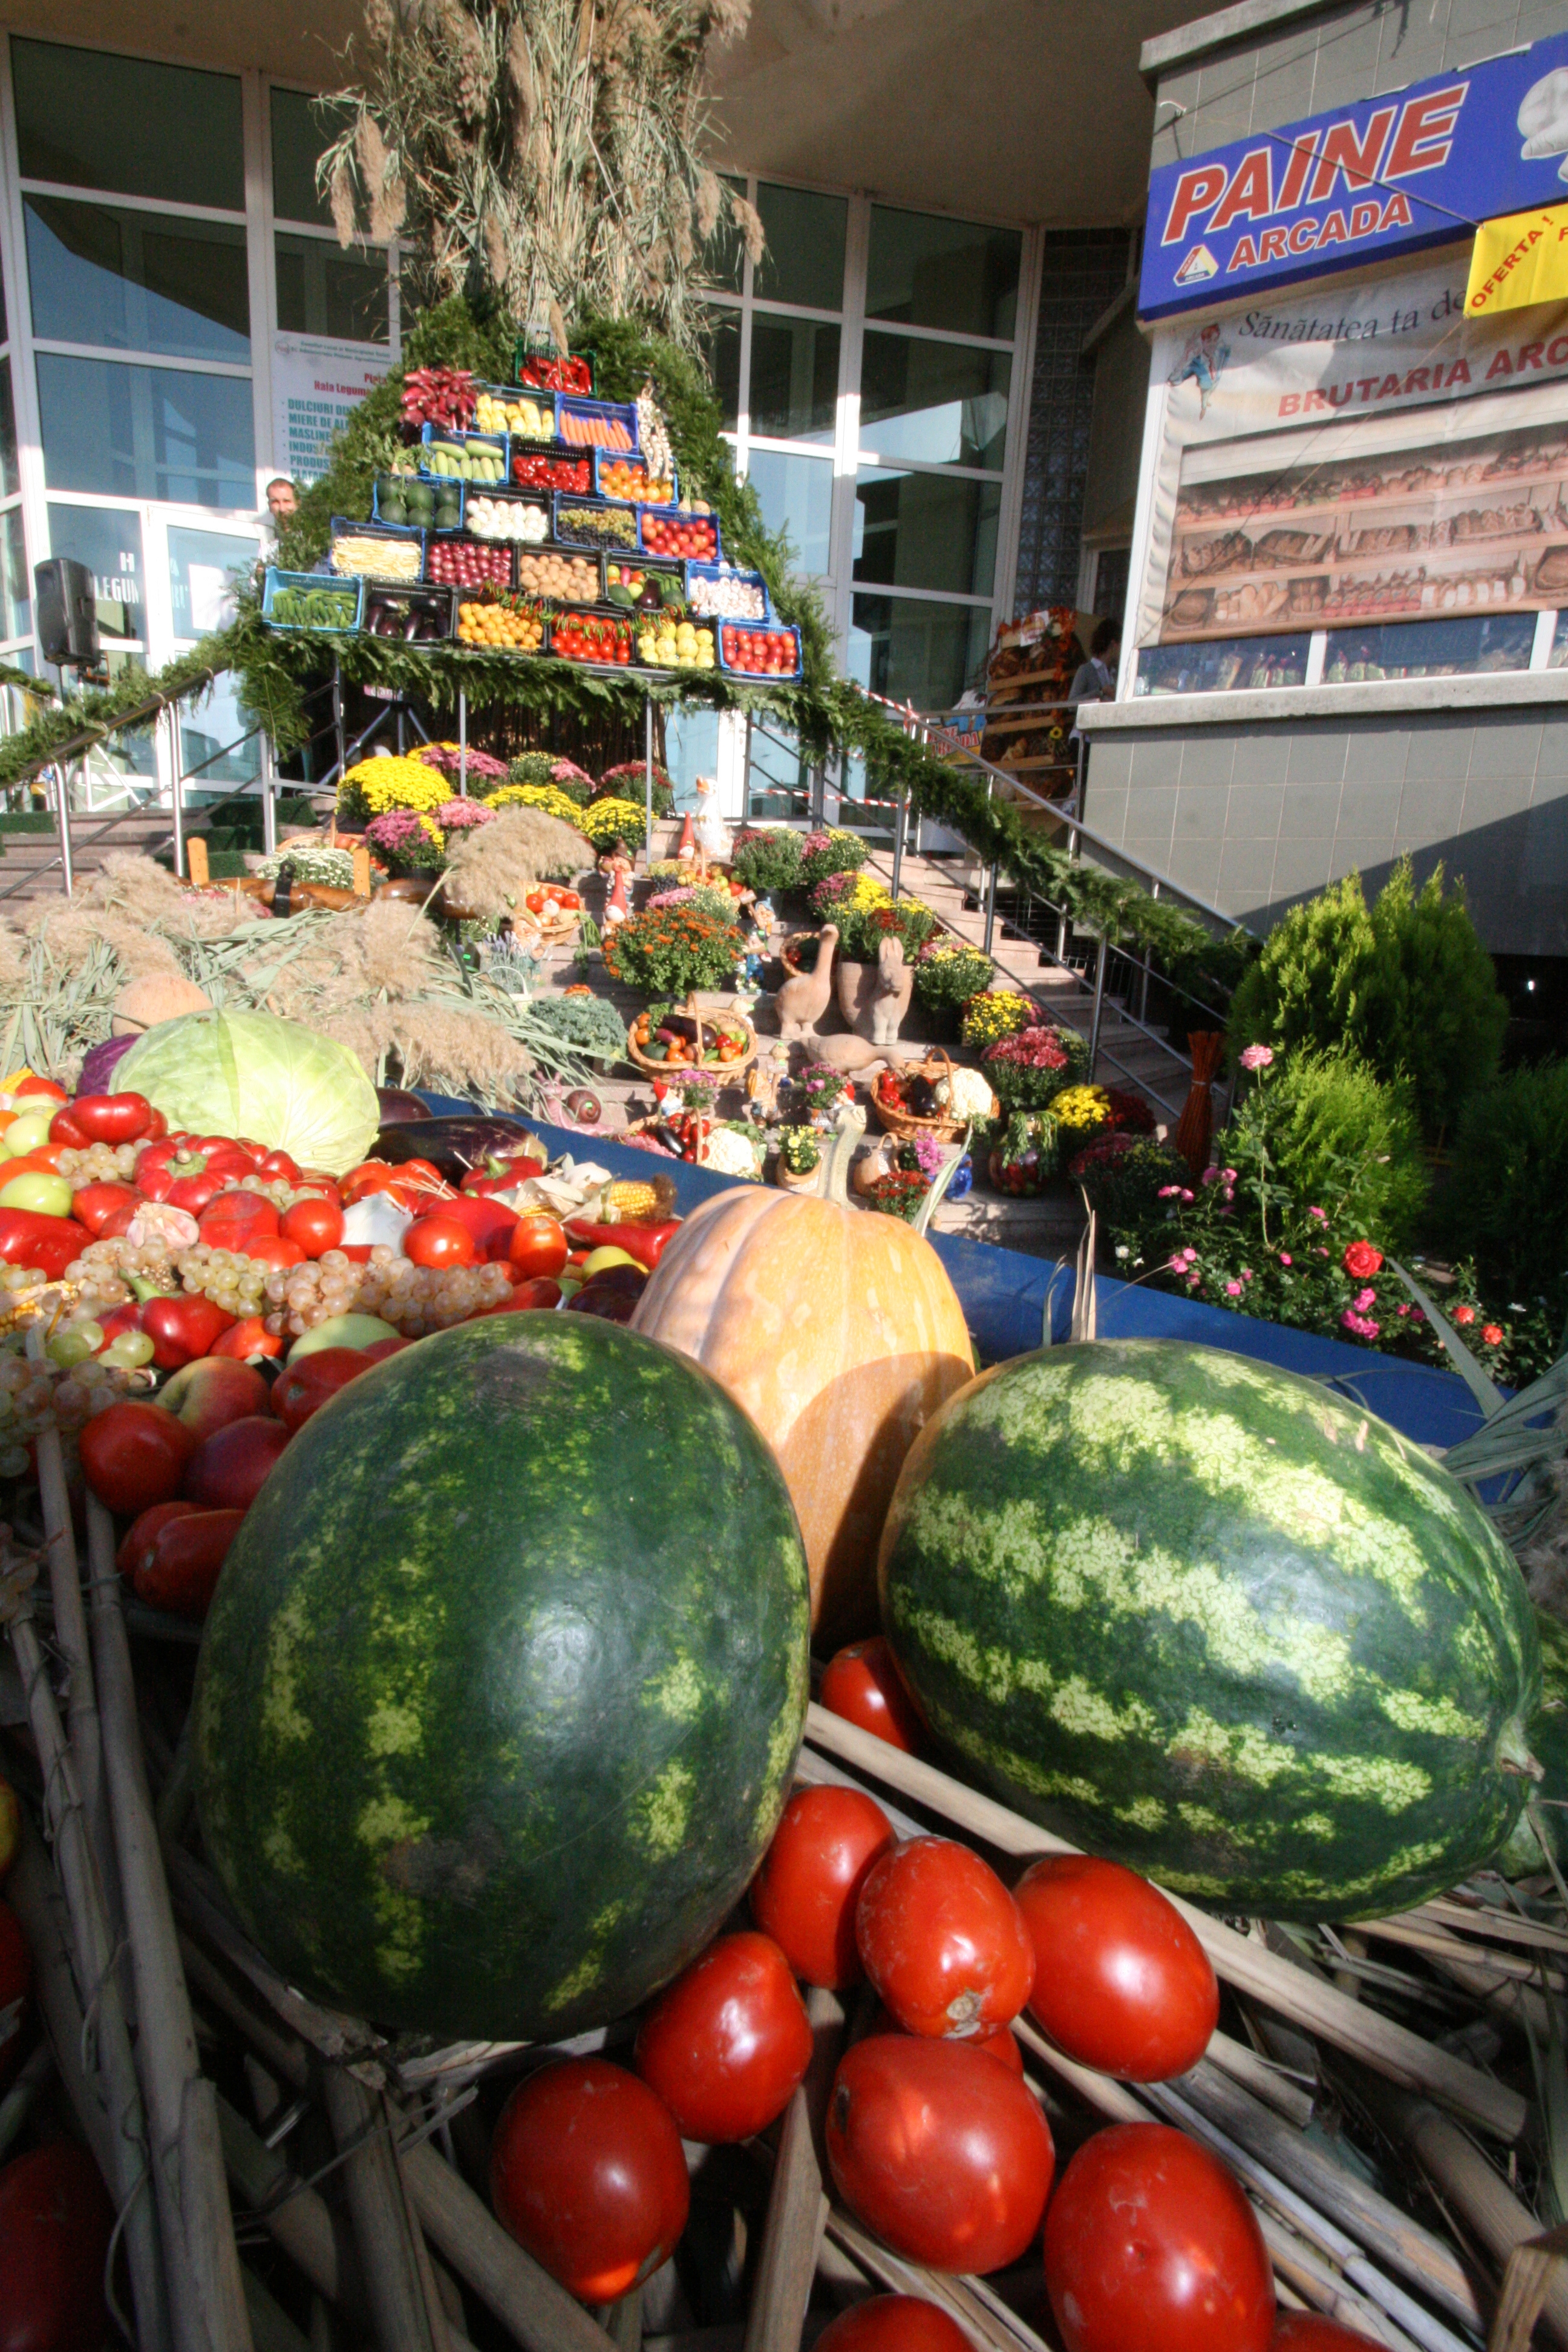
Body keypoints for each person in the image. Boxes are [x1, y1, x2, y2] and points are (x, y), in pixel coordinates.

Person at [1066, 618, 1122, 808]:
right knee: (1083, 789)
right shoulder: (1087, 670)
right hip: (1083, 740)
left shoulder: (1112, 673)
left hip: (1099, 740)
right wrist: (1100, 693)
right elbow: (1072, 703)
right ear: (1114, 644)